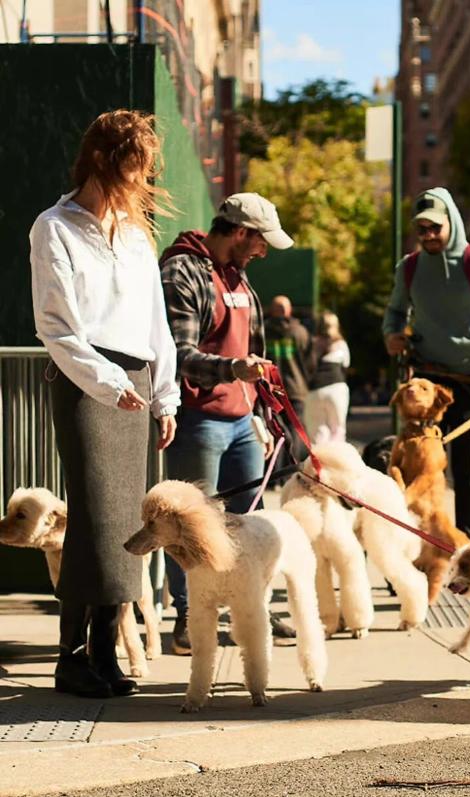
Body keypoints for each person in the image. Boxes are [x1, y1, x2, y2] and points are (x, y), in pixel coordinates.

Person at [29, 110, 180, 698]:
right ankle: (70, 660)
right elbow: (56, 325)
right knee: (93, 518)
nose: (141, 183)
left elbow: (156, 324)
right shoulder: (54, 227)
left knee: (125, 522)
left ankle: (104, 654)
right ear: (101, 161)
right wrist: (104, 379)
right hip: (86, 379)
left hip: (137, 380)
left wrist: (164, 396)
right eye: (133, 170)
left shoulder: (138, 233)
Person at [159, 193, 296, 652]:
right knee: (193, 527)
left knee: (251, 524)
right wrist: (232, 370)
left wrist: (262, 403)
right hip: (199, 420)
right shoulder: (182, 270)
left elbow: (248, 346)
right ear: (240, 233)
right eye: (261, 243)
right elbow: (177, 354)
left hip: (242, 421)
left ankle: (252, 609)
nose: (264, 252)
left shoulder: (238, 275)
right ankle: (187, 620)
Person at [382, 187, 470, 539]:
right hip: (426, 382)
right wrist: (392, 333)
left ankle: (465, 552)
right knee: (419, 471)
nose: (429, 235)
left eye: (436, 227)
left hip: (468, 380)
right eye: (422, 229)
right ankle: (422, 549)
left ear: (452, 223)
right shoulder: (410, 268)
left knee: (466, 472)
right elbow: (395, 310)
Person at [264, 295, 313, 464]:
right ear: (289, 310)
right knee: (297, 430)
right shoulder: (300, 332)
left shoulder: (263, 331)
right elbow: (310, 361)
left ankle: (274, 473)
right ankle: (294, 468)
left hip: (271, 389)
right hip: (296, 389)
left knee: (274, 430)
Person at [304, 311, 351, 444]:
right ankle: (337, 462)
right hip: (336, 387)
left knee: (317, 435)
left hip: (314, 390)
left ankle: (320, 463)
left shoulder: (312, 344)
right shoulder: (341, 344)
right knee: (338, 432)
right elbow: (345, 365)